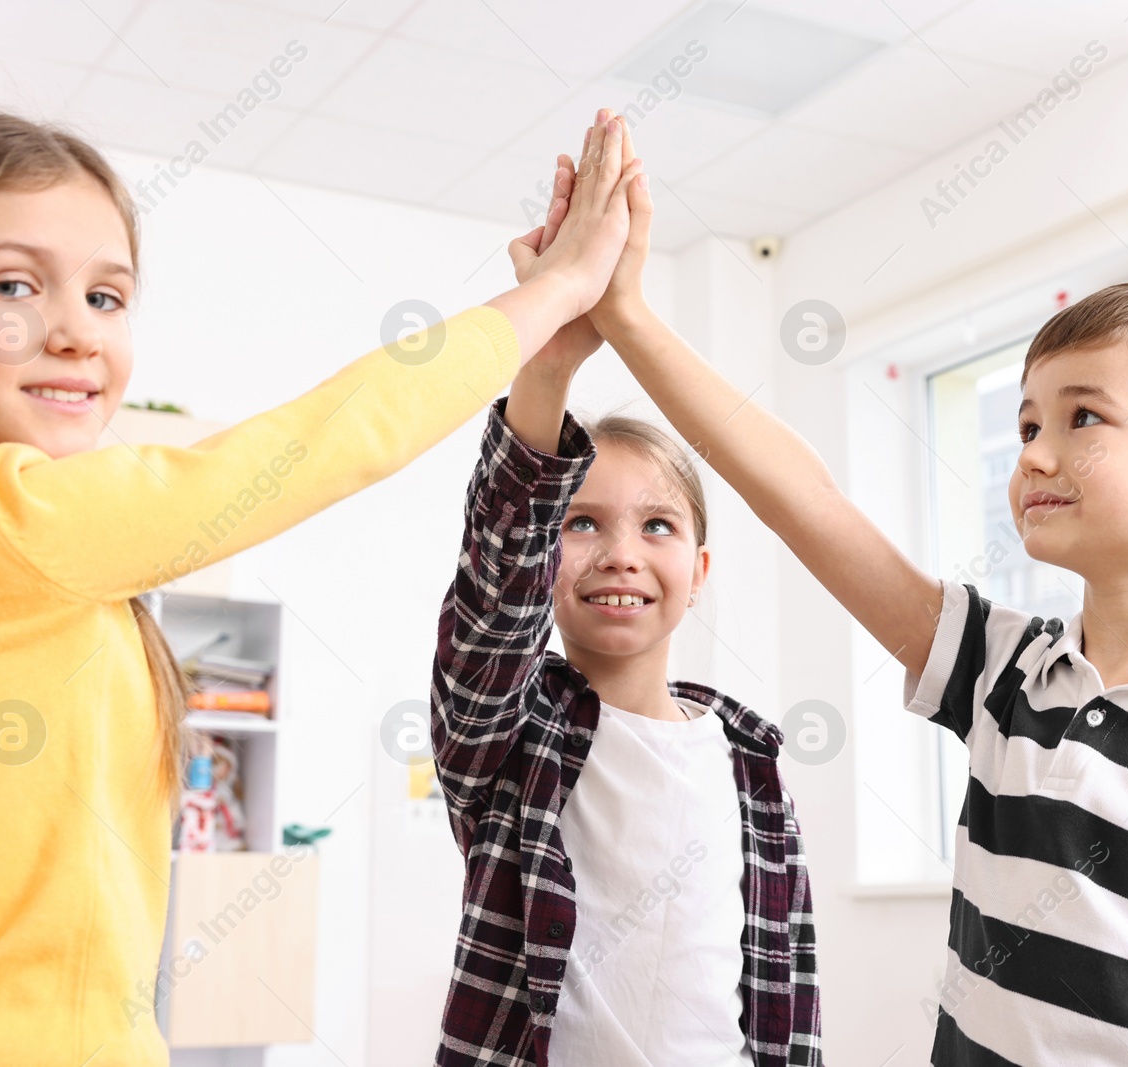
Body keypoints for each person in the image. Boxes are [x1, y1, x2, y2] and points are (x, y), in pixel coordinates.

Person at [546, 121, 1128, 1066]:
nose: (1033, 451)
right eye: (1028, 418)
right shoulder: (1008, 674)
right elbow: (809, 501)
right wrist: (625, 312)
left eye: (1083, 415)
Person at [0, 106, 637, 1064]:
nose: (78, 334)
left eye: (107, 297)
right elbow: (321, 441)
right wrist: (560, 292)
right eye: (12, 285)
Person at [427, 111, 821, 1066]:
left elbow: (786, 993)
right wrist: (551, 362)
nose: (620, 553)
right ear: (546, 560)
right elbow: (492, 595)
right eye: (582, 523)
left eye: (657, 526)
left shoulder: (749, 761)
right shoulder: (512, 738)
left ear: (699, 571)